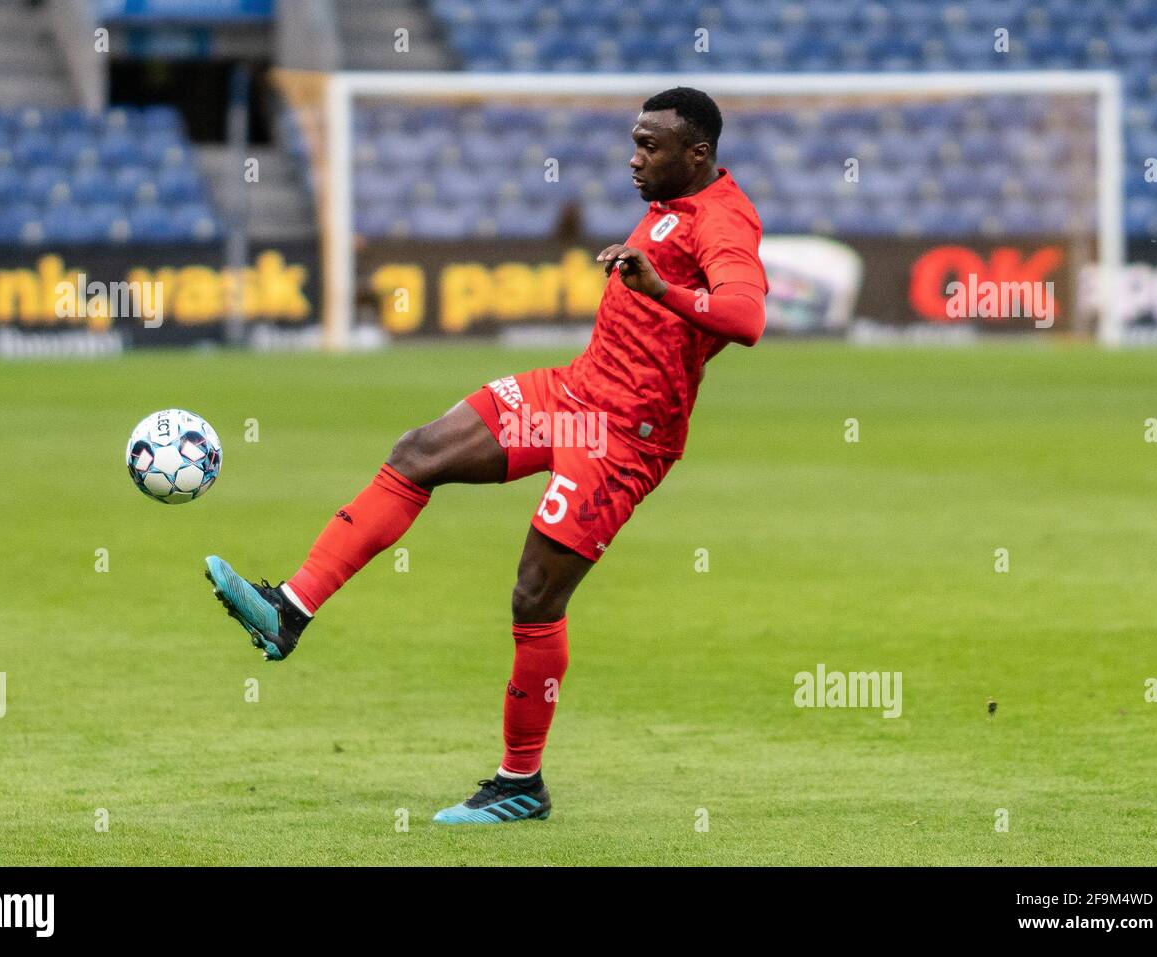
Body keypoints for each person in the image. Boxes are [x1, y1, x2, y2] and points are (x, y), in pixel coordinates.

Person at [205, 86, 768, 824]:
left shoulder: (725, 219)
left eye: (649, 147)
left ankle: (519, 782)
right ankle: (289, 610)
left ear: (697, 154)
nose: (633, 159)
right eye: (633, 141)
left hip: (623, 437)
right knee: (419, 451)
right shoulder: (670, 201)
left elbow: (748, 317)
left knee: (536, 594)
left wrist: (659, 287)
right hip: (572, 392)